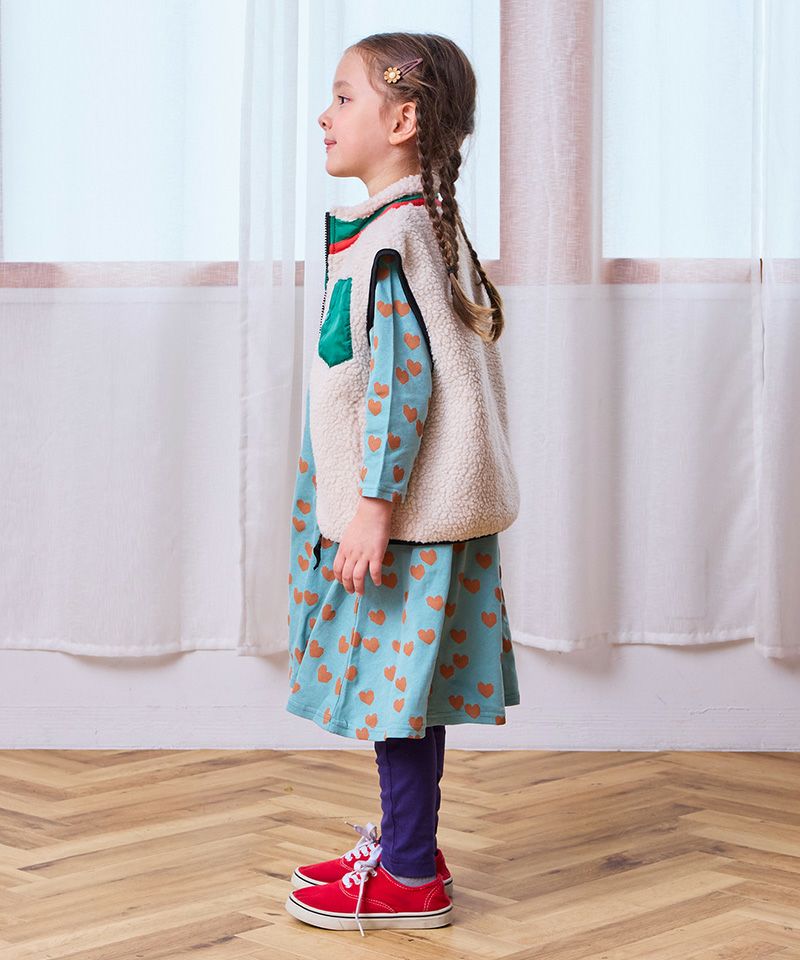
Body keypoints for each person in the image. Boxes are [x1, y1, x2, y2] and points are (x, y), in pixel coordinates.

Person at [284, 33, 521, 936]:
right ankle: (407, 848)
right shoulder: (417, 227)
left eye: (343, 97)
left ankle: (410, 875)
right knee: (403, 690)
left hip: (402, 514)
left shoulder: (394, 239)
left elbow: (401, 386)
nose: (324, 115)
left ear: (403, 119)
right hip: (411, 511)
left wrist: (371, 509)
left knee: (393, 693)